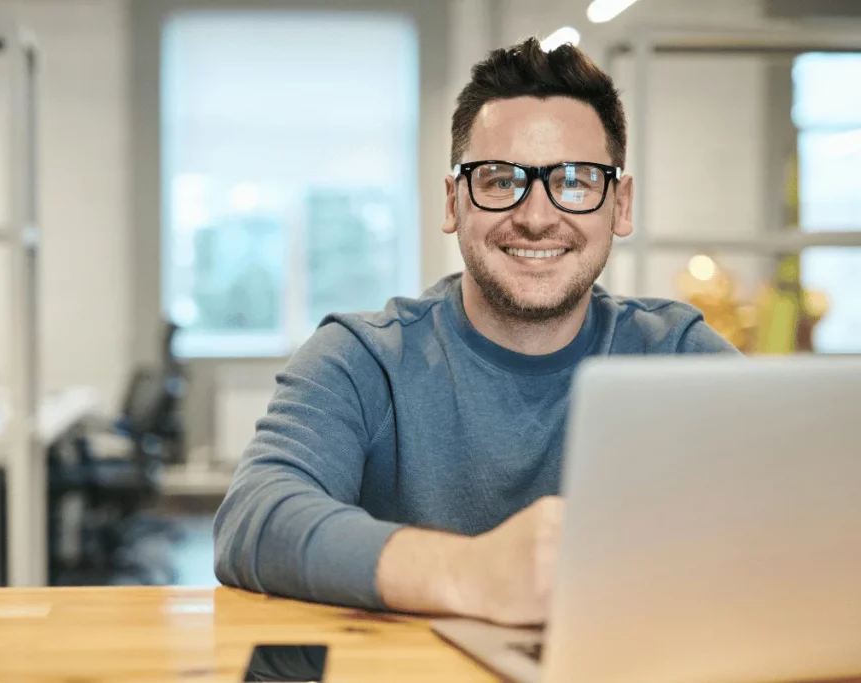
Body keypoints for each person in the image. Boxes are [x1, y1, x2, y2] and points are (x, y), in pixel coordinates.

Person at [212, 37, 738, 626]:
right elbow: (255, 519)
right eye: (497, 180)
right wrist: (470, 572)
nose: (537, 218)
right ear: (453, 201)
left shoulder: (678, 356)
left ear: (620, 203)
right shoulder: (363, 359)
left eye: (575, 181)